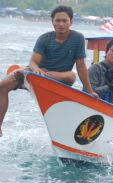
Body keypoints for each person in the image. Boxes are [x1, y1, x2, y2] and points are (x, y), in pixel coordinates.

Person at [0, 5, 97, 137]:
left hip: (59, 77)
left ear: (71, 22)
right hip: (37, 72)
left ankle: (27, 76)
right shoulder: (44, 38)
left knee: (71, 76)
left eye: (64, 20)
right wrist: (36, 70)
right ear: (52, 22)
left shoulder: (78, 38)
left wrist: (89, 91)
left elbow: (81, 66)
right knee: (2, 86)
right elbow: (33, 62)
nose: (61, 24)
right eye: (57, 21)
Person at [84, 39, 113, 104]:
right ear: (106, 51)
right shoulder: (95, 68)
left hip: (106, 110)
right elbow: (89, 91)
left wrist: (112, 109)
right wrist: (111, 86)